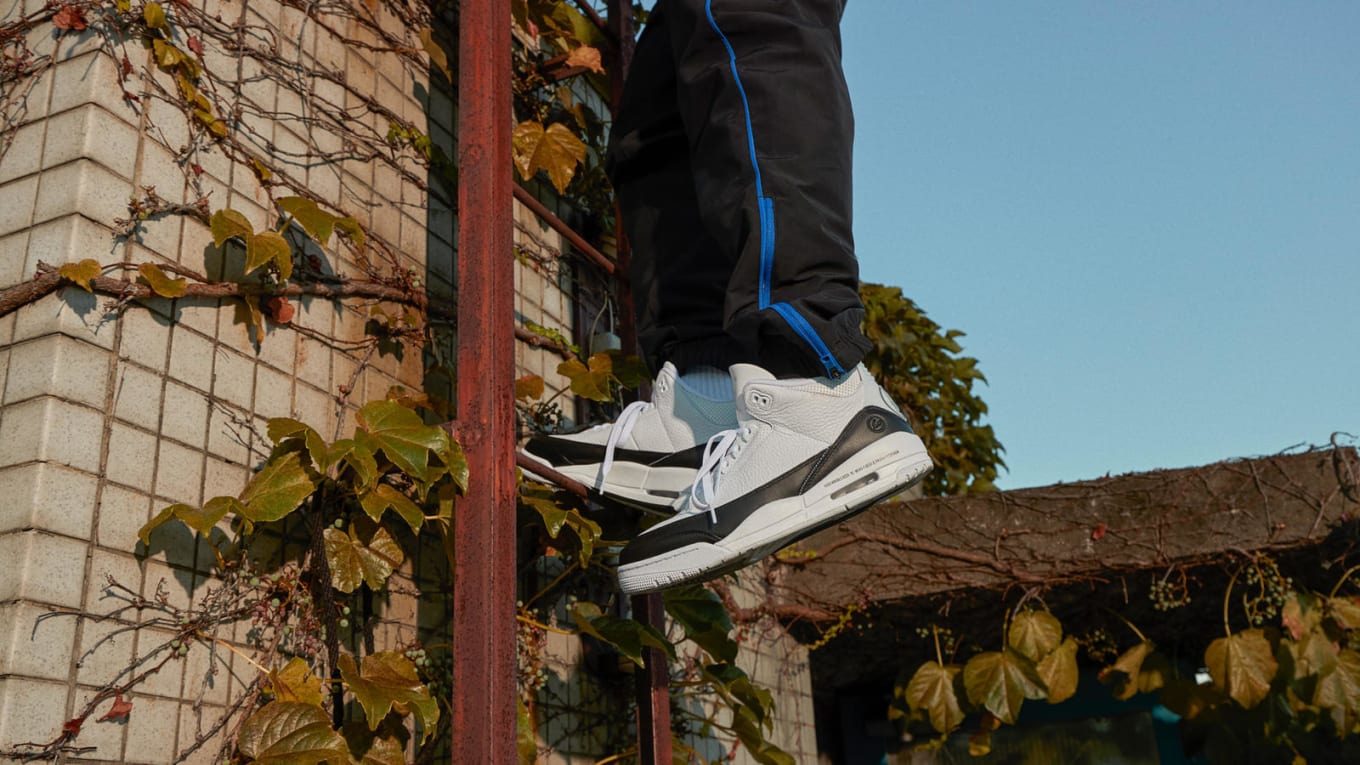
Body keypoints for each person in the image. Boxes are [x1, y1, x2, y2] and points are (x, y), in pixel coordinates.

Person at [521, 0, 933, 595]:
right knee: (663, 113)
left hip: (810, 372)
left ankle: (811, 384)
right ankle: (705, 401)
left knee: (749, 23)